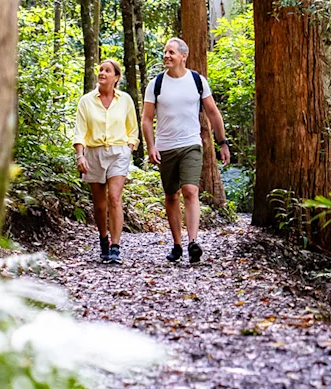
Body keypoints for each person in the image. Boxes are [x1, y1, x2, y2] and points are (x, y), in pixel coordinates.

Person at [141, 37, 230, 263]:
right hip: (166, 146)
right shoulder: (156, 84)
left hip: (191, 143)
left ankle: (193, 242)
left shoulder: (197, 81)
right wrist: (151, 146)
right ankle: (177, 244)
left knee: (190, 190)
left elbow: (212, 112)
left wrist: (223, 142)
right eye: (165, 52)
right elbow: (147, 119)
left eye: (171, 52)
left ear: (183, 56)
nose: (166, 56)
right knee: (171, 195)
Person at [72, 59, 138, 264]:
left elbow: (132, 129)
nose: (102, 73)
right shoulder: (86, 101)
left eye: (107, 71)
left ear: (116, 77)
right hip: (93, 153)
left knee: (115, 198)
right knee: (100, 205)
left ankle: (116, 246)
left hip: (119, 153)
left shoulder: (125, 100)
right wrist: (80, 155)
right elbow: (80, 132)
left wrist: (129, 148)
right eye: (101, 70)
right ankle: (103, 239)